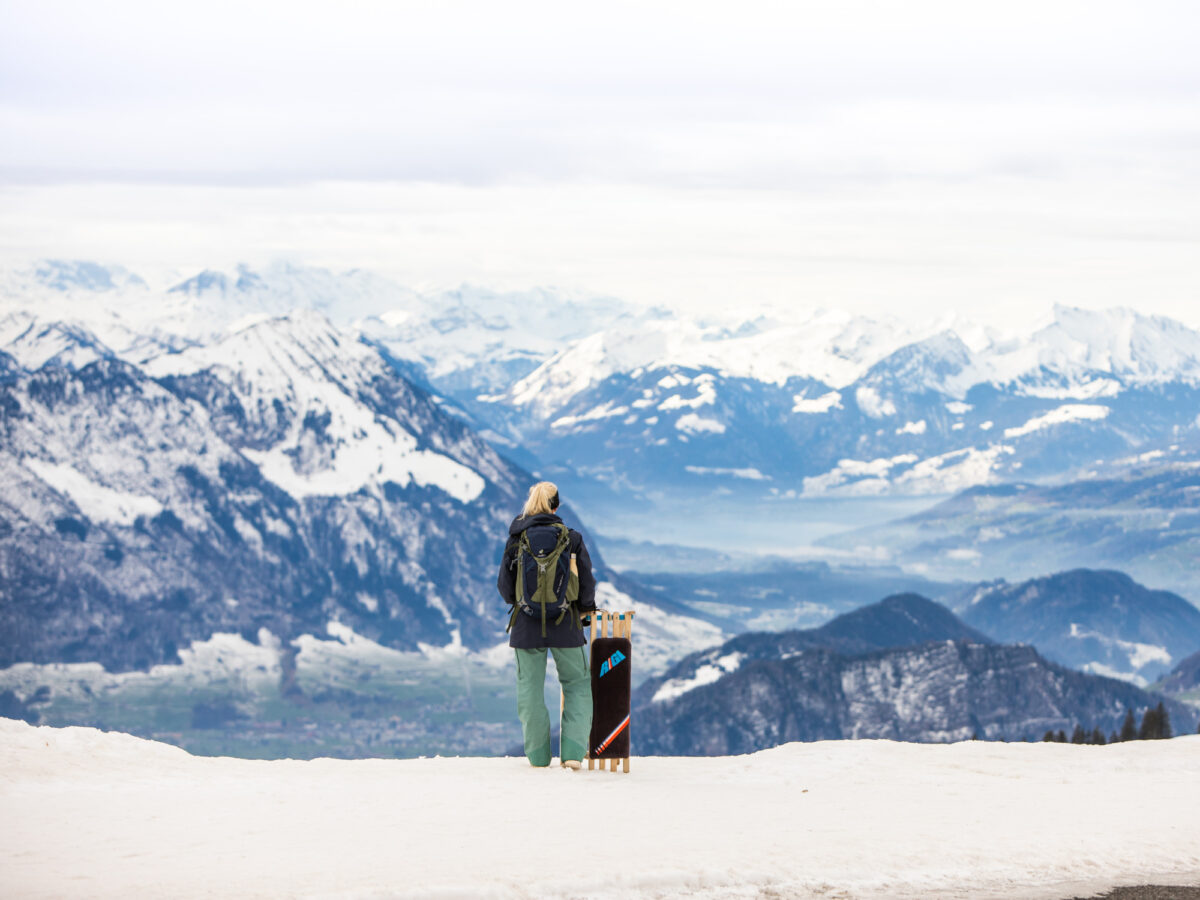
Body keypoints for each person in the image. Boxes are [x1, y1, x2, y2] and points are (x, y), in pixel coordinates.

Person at [497, 481, 597, 768]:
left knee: (529, 690)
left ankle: (538, 758)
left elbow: (505, 587)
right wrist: (585, 610)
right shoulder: (571, 538)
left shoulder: (517, 538)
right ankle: (573, 755)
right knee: (577, 685)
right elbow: (587, 583)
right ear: (557, 506)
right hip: (566, 623)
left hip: (526, 627)